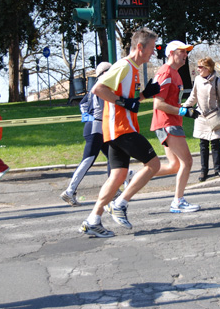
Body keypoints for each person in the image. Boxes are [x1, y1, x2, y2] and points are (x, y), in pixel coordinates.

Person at [79, 27, 162, 237]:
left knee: (117, 176)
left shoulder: (132, 69)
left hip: (116, 129)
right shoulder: (123, 66)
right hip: (121, 128)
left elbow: (130, 103)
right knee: (154, 164)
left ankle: (93, 220)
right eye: (152, 48)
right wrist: (123, 102)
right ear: (140, 47)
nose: (154, 52)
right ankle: (120, 203)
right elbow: (97, 89)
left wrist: (144, 95)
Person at [149, 40, 201, 213]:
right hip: (167, 123)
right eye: (182, 52)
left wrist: (186, 109)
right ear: (171, 53)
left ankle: (132, 176)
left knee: (174, 165)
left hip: (171, 122)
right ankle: (178, 202)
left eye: (187, 52)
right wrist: (183, 113)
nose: (186, 55)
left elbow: (172, 101)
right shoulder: (166, 72)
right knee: (187, 161)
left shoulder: (176, 73)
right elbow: (158, 103)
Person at [60, 62, 113, 206]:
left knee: (113, 158)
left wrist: (87, 116)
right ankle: (69, 191)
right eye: (111, 70)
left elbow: (82, 104)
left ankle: (114, 189)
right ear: (105, 72)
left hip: (96, 126)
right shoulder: (103, 86)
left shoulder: (95, 87)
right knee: (88, 160)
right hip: (96, 128)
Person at [183, 57, 220, 182]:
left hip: (214, 116)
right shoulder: (198, 80)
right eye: (198, 67)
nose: (198, 69)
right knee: (203, 145)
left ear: (208, 68)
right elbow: (193, 96)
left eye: (201, 67)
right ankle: (203, 171)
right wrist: (184, 107)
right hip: (200, 116)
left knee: (215, 143)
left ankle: (218, 169)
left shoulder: (217, 82)